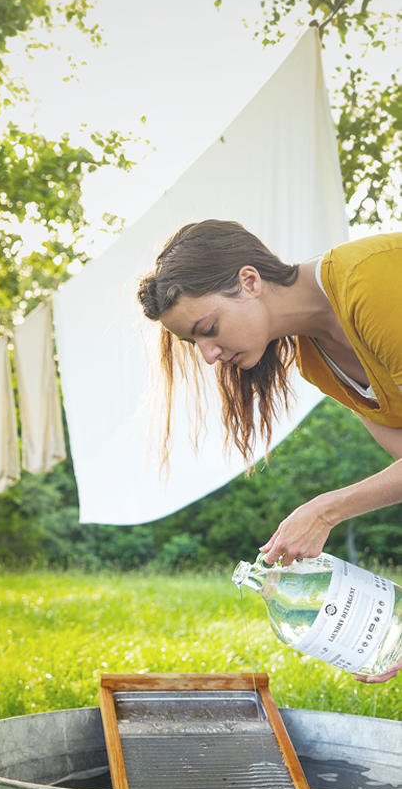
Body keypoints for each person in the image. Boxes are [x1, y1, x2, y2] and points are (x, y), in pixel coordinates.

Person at [138, 220, 402, 683]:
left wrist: (326, 510)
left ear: (249, 281)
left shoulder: (369, 280)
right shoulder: (316, 363)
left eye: (208, 329)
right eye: (194, 342)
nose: (208, 355)